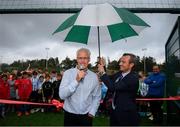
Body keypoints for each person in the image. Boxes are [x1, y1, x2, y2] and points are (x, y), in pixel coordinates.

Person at [59, 48, 101, 126]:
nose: (82, 61)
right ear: (76, 59)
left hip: (86, 116)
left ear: (89, 59)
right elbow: (62, 95)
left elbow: (97, 96)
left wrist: (92, 111)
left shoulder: (94, 76)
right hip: (70, 115)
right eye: (80, 58)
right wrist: (76, 80)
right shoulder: (68, 73)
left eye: (85, 58)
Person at [98, 53, 139, 126]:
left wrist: (102, 72)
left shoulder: (133, 78)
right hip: (115, 112)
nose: (120, 63)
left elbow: (112, 87)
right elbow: (109, 78)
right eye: (120, 61)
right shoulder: (120, 73)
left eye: (123, 62)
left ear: (131, 65)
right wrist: (103, 66)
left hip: (126, 115)